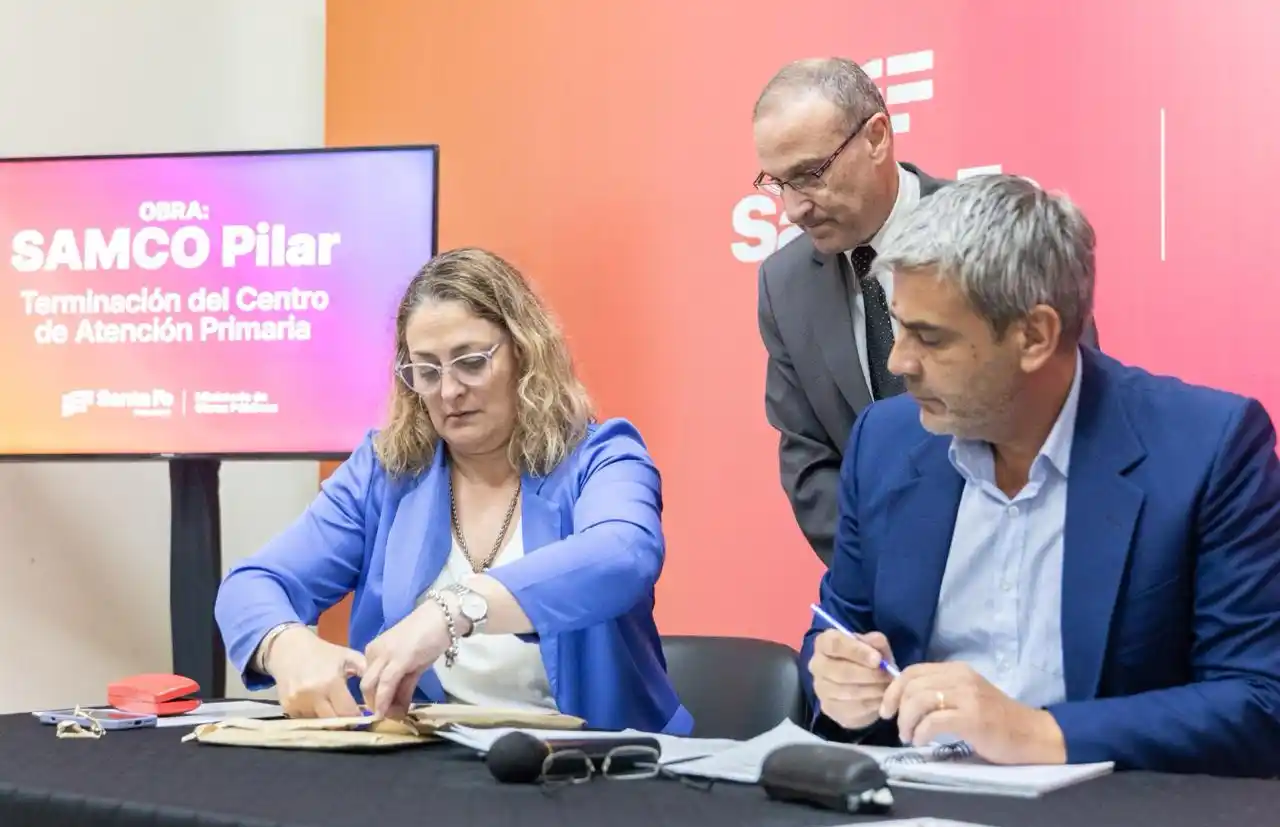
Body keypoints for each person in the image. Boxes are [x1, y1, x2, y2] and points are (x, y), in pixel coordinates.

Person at [802, 174, 1280, 778]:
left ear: (1034, 336)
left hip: (1114, 817)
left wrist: (1036, 731)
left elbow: (1259, 702)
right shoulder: (885, 444)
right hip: (914, 811)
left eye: (930, 337)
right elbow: (839, 631)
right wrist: (841, 684)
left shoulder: (1207, 448)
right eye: (900, 325)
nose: (899, 362)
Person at [215, 247, 692, 734]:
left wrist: (453, 610)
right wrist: (286, 644)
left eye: (470, 362)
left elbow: (623, 554)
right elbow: (252, 584)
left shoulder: (602, 456)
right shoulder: (385, 472)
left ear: (525, 353)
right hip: (432, 770)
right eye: (426, 370)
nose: (448, 391)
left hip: (599, 771)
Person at [752, 58, 1098, 565]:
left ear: (876, 137)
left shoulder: (998, 231)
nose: (794, 208)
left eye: (810, 175)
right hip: (887, 587)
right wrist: (886, 570)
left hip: (1036, 557)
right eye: (778, 182)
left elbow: (1072, 399)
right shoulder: (784, 284)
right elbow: (808, 459)